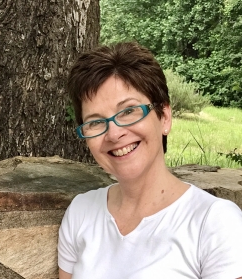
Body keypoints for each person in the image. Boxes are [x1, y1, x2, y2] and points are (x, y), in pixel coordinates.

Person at [57, 41, 242, 279]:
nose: (114, 134)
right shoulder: (81, 213)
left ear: (164, 116)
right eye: (95, 122)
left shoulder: (215, 223)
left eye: (128, 111)